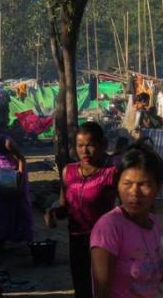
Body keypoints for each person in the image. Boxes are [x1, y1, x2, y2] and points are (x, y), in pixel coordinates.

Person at [90, 144, 163, 298]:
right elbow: (101, 291)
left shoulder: (153, 224)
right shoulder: (109, 227)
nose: (134, 192)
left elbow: (145, 280)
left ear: (158, 187)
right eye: (127, 184)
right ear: (118, 185)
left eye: (144, 184)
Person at [45, 121, 118, 298]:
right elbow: (64, 206)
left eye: (90, 145)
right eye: (80, 146)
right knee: (82, 288)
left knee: (103, 288)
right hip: (77, 240)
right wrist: (53, 213)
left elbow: (123, 210)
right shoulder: (68, 172)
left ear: (102, 145)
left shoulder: (111, 173)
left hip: (102, 242)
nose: (84, 151)